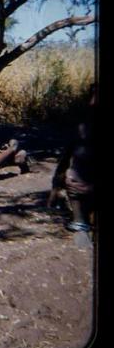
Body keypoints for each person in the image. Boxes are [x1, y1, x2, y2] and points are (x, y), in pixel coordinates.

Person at [48, 84, 96, 235]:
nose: (93, 102)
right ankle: (80, 220)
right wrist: (56, 187)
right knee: (73, 175)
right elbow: (66, 157)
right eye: (92, 96)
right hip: (85, 181)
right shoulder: (84, 124)